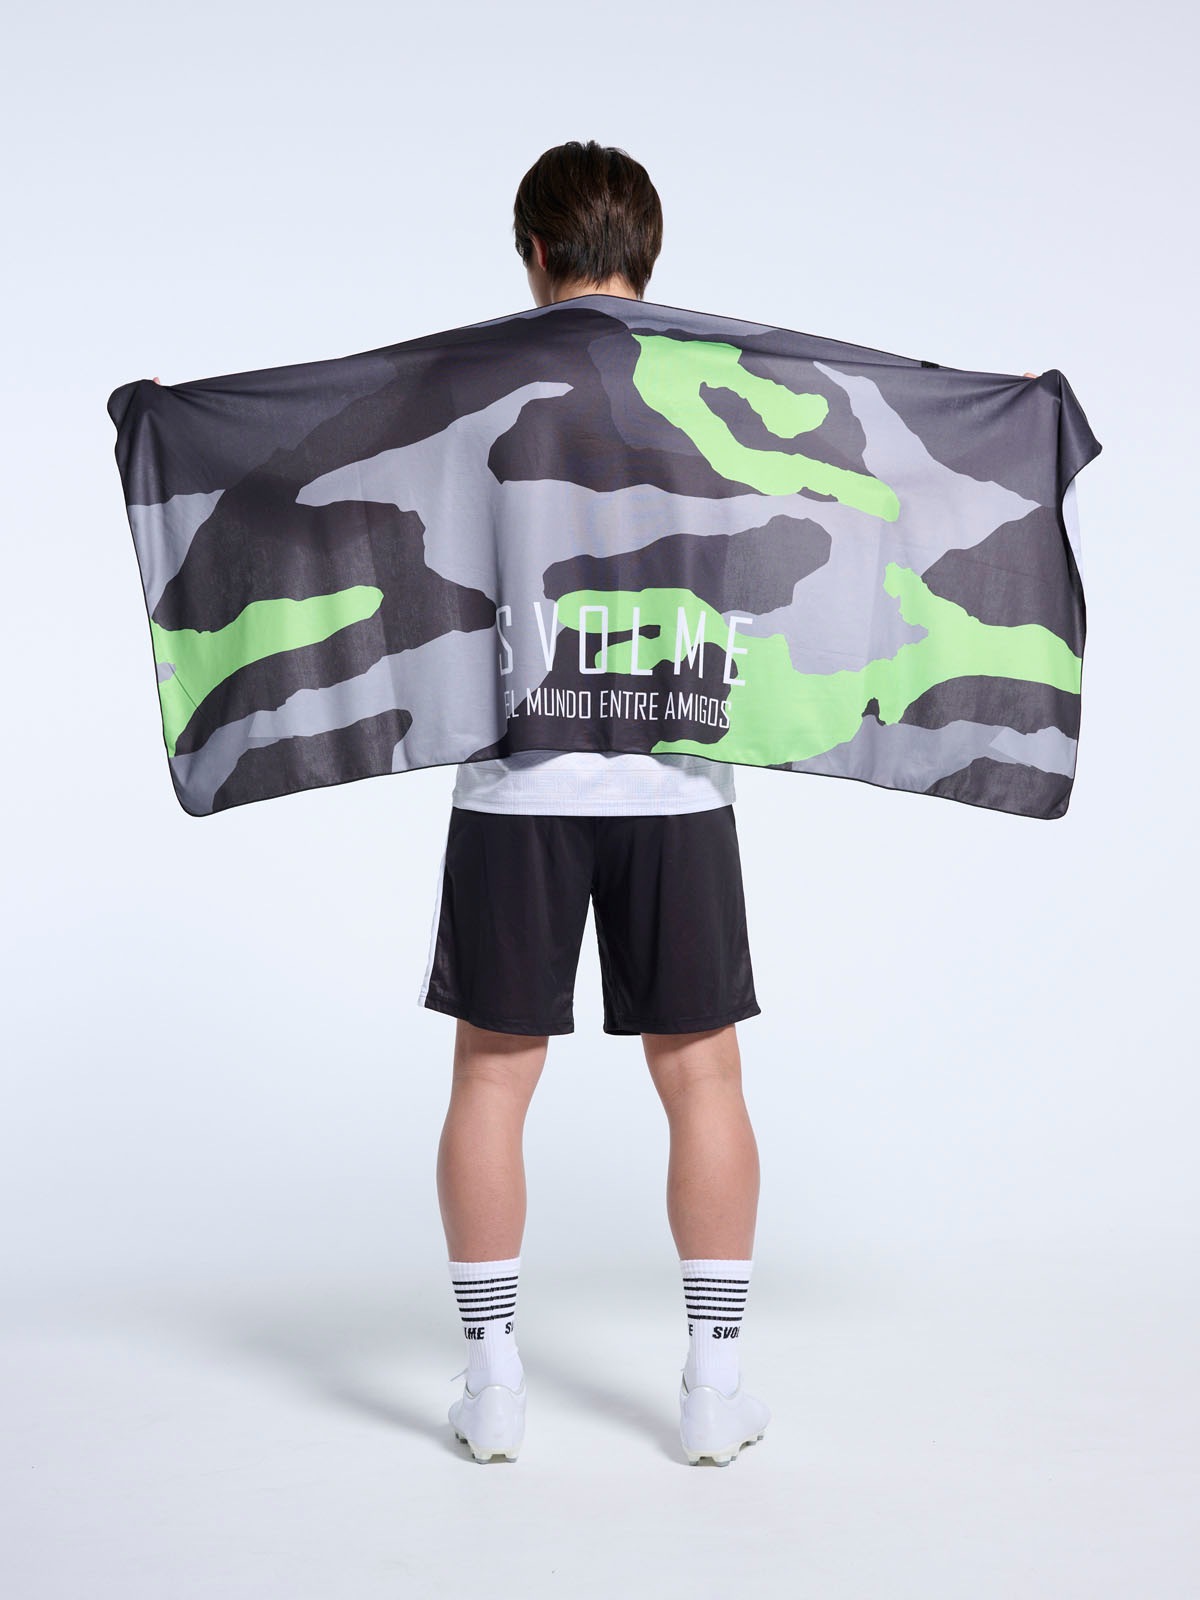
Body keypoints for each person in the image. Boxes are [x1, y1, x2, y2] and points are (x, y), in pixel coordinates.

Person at [422, 139, 770, 1467]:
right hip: (673, 779)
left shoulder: (469, 388)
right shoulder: (715, 386)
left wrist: (186, 423)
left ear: (534, 254)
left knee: (492, 1074)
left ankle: (494, 1386)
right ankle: (712, 1388)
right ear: (648, 254)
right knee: (703, 1073)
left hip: (519, 780)